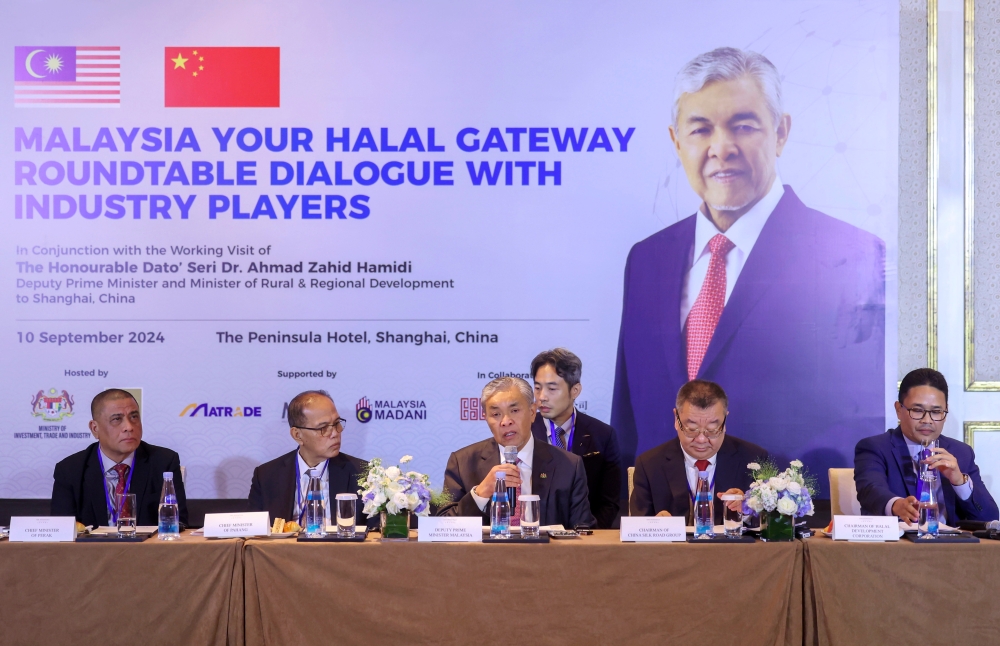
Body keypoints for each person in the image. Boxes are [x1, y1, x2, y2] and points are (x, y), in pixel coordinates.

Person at [611, 46, 885, 494]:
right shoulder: (647, 258)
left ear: (781, 132)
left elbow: (854, 415)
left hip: (780, 514)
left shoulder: (849, 254)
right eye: (700, 129)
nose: (721, 148)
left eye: (743, 125)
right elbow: (628, 411)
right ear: (676, 140)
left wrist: (786, 502)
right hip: (660, 513)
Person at [440, 376, 596, 529]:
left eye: (514, 410)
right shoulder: (462, 463)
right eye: (496, 414)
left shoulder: (569, 466)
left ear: (532, 412)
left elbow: (584, 530)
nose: (506, 421)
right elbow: (443, 526)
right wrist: (481, 493)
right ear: (486, 419)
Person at [855, 369, 999, 523]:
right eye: (917, 410)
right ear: (899, 410)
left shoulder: (961, 452)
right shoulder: (875, 448)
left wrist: (960, 482)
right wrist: (896, 505)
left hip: (951, 538)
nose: (927, 420)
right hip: (900, 537)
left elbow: (990, 518)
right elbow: (870, 490)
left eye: (936, 412)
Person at [629, 380, 767, 522]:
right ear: (676, 419)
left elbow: (770, 523)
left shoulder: (754, 460)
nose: (701, 439)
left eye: (712, 429)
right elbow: (638, 526)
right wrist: (655, 527)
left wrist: (746, 511)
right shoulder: (650, 465)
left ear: (725, 421)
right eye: (691, 429)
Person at [51, 388, 188, 528]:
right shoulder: (69, 470)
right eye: (117, 419)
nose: (129, 427)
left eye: (134, 417)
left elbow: (178, 523)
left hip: (148, 543)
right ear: (95, 429)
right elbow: (61, 529)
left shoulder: (163, 462)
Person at [248, 390, 370, 527]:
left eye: (337, 423)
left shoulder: (363, 474)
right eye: (323, 427)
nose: (335, 433)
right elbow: (254, 530)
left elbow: (377, 531)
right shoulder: (266, 476)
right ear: (297, 435)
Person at [529, 348, 621, 528]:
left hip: (586, 536)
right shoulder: (525, 432)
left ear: (575, 390)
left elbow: (609, 502)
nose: (542, 397)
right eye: (538, 388)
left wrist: (588, 534)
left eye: (552, 388)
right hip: (534, 535)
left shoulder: (603, 435)